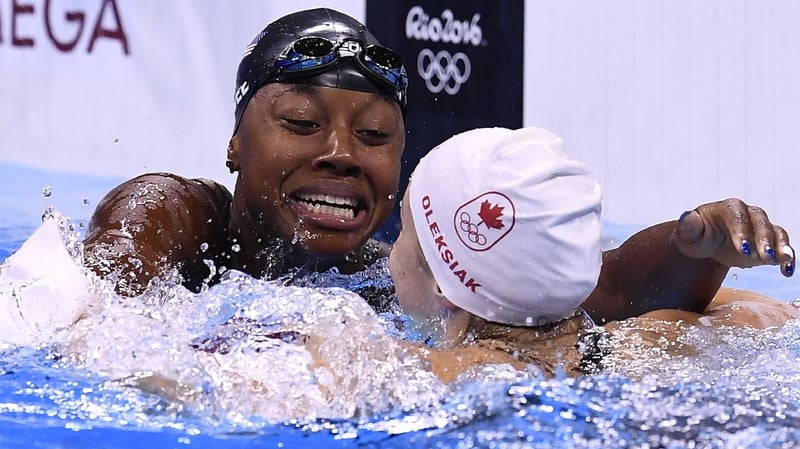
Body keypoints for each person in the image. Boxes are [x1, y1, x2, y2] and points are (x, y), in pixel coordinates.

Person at [388, 126, 799, 381]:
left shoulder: (434, 373)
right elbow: (778, 313)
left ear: (445, 283)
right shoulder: (655, 337)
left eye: (406, 228)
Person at [81, 8, 408, 296]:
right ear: (235, 144)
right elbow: (86, 318)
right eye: (302, 121)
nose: (341, 154)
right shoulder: (171, 218)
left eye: (373, 132)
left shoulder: (391, 283)